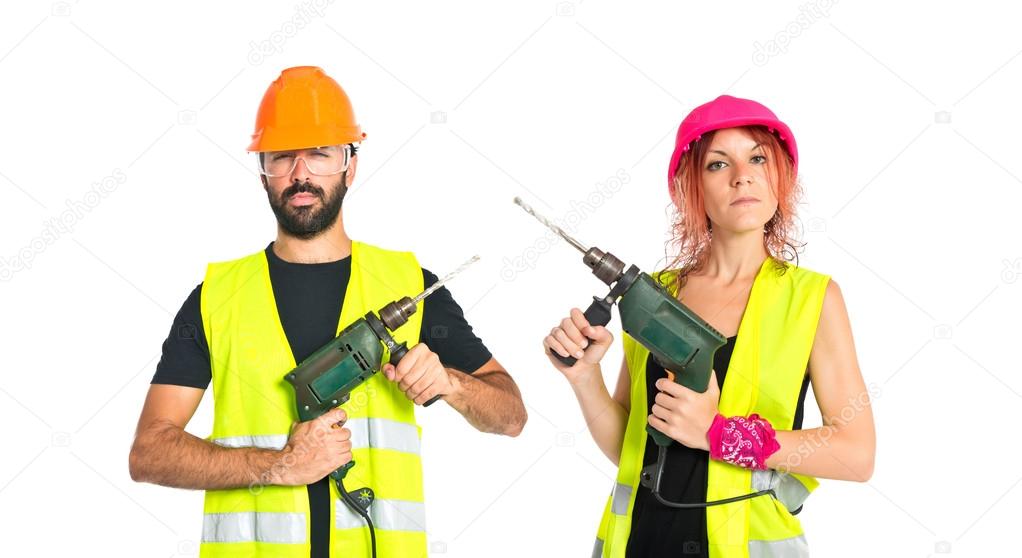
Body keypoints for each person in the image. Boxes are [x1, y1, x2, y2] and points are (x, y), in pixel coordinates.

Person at [128, 66, 527, 558]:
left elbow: (511, 417)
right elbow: (149, 453)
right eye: (282, 157)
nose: (301, 174)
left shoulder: (410, 286)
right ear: (263, 174)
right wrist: (277, 465)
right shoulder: (215, 298)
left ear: (349, 167)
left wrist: (452, 383)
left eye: (320, 154)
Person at [543, 95, 875, 557]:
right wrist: (584, 378)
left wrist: (719, 435)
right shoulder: (655, 298)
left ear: (781, 175)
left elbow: (856, 454)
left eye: (758, 157)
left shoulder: (812, 299)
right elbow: (630, 447)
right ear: (691, 188)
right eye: (718, 164)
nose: (743, 175)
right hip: (638, 543)